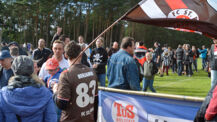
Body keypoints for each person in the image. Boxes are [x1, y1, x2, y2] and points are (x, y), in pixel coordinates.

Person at [0, 56, 57, 122]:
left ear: (13, 70)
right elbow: (51, 119)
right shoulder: (45, 93)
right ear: (32, 70)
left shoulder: (3, 94)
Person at [53, 41, 98, 122]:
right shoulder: (92, 71)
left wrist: (55, 91)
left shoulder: (66, 74)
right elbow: (96, 99)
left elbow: (62, 103)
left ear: (66, 55)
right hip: (89, 118)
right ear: (81, 54)